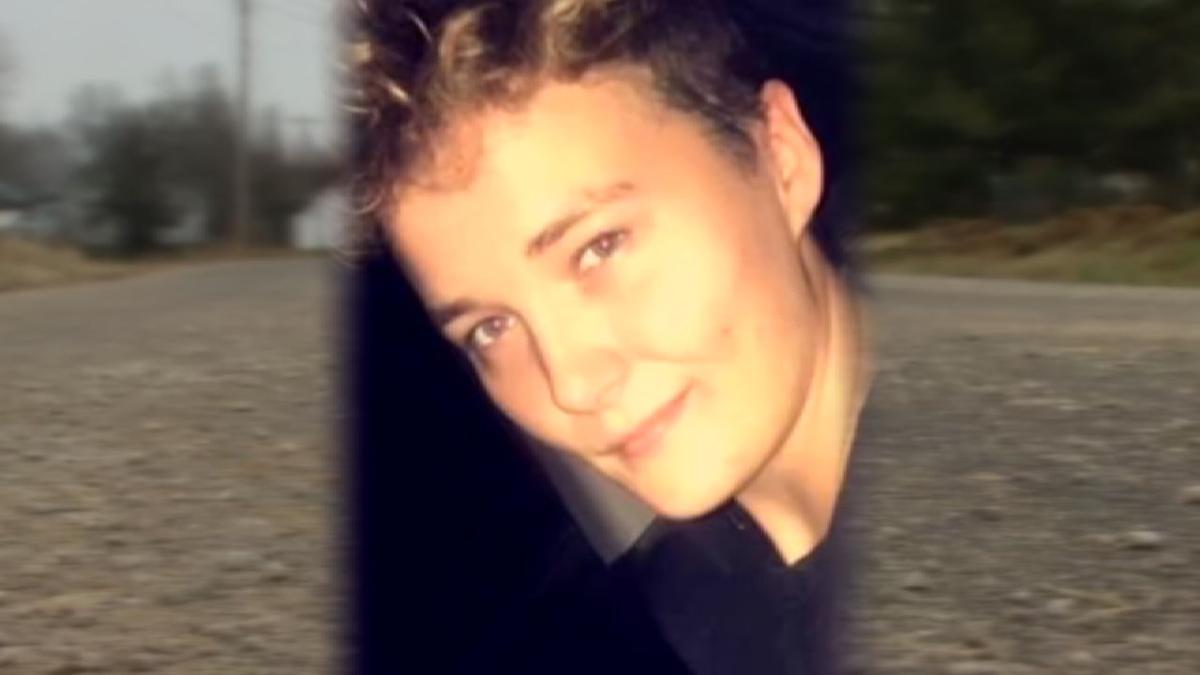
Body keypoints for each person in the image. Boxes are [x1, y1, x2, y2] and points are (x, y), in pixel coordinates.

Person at [347, 1, 870, 672]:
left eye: (600, 246)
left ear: (782, 159)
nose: (571, 383)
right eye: (490, 328)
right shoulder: (676, 614)